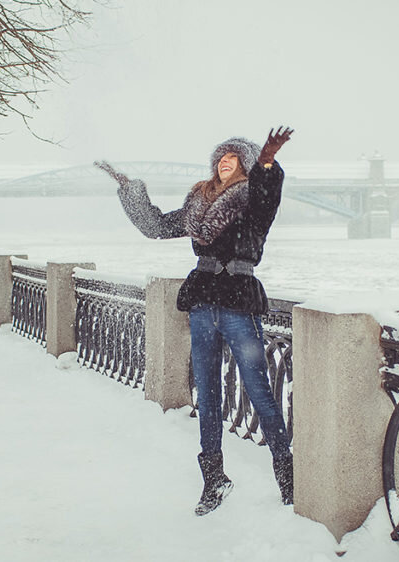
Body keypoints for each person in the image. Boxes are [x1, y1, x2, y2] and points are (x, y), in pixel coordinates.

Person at [96, 126, 295, 516]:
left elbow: (268, 194)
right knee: (207, 395)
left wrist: (269, 162)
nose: (225, 160)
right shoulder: (198, 202)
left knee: (259, 393)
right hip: (204, 303)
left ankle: (288, 478)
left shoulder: (254, 201)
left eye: (234, 157)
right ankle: (214, 480)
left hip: (238, 301)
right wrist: (129, 189)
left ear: (247, 164)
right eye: (221, 156)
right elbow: (155, 226)